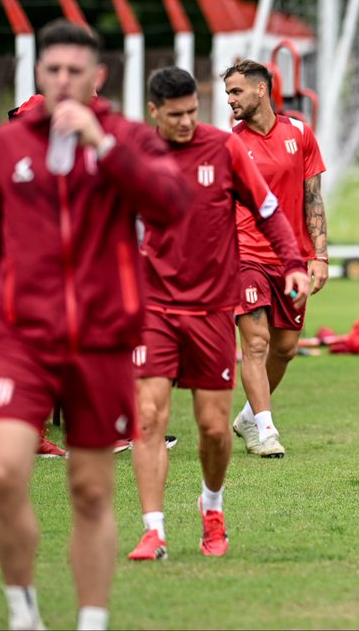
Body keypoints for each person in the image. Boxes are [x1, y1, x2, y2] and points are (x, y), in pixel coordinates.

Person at [0, 20, 189, 631]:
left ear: (97, 77)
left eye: (77, 71)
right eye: (54, 71)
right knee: (1, 472)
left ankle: (91, 619)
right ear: (39, 77)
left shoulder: (128, 137)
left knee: (91, 490)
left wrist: (104, 146)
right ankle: (24, 611)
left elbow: (169, 204)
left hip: (101, 340)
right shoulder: (6, 145)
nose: (65, 81)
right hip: (22, 337)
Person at [127, 68, 310, 561]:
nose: (187, 122)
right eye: (175, 116)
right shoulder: (137, 156)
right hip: (154, 308)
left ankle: (212, 509)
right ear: (154, 113)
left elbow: (269, 209)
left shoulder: (223, 148)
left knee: (211, 427)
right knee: (149, 417)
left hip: (210, 305)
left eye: (192, 112)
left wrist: (295, 263)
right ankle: (154, 530)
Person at [225, 60, 329, 459]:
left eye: (236, 91)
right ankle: (266, 431)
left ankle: (250, 414)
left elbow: (313, 198)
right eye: (228, 92)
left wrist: (319, 255)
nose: (230, 99)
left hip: (292, 260)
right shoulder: (230, 142)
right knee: (255, 342)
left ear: (260, 90)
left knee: (284, 348)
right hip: (244, 255)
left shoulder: (299, 133)